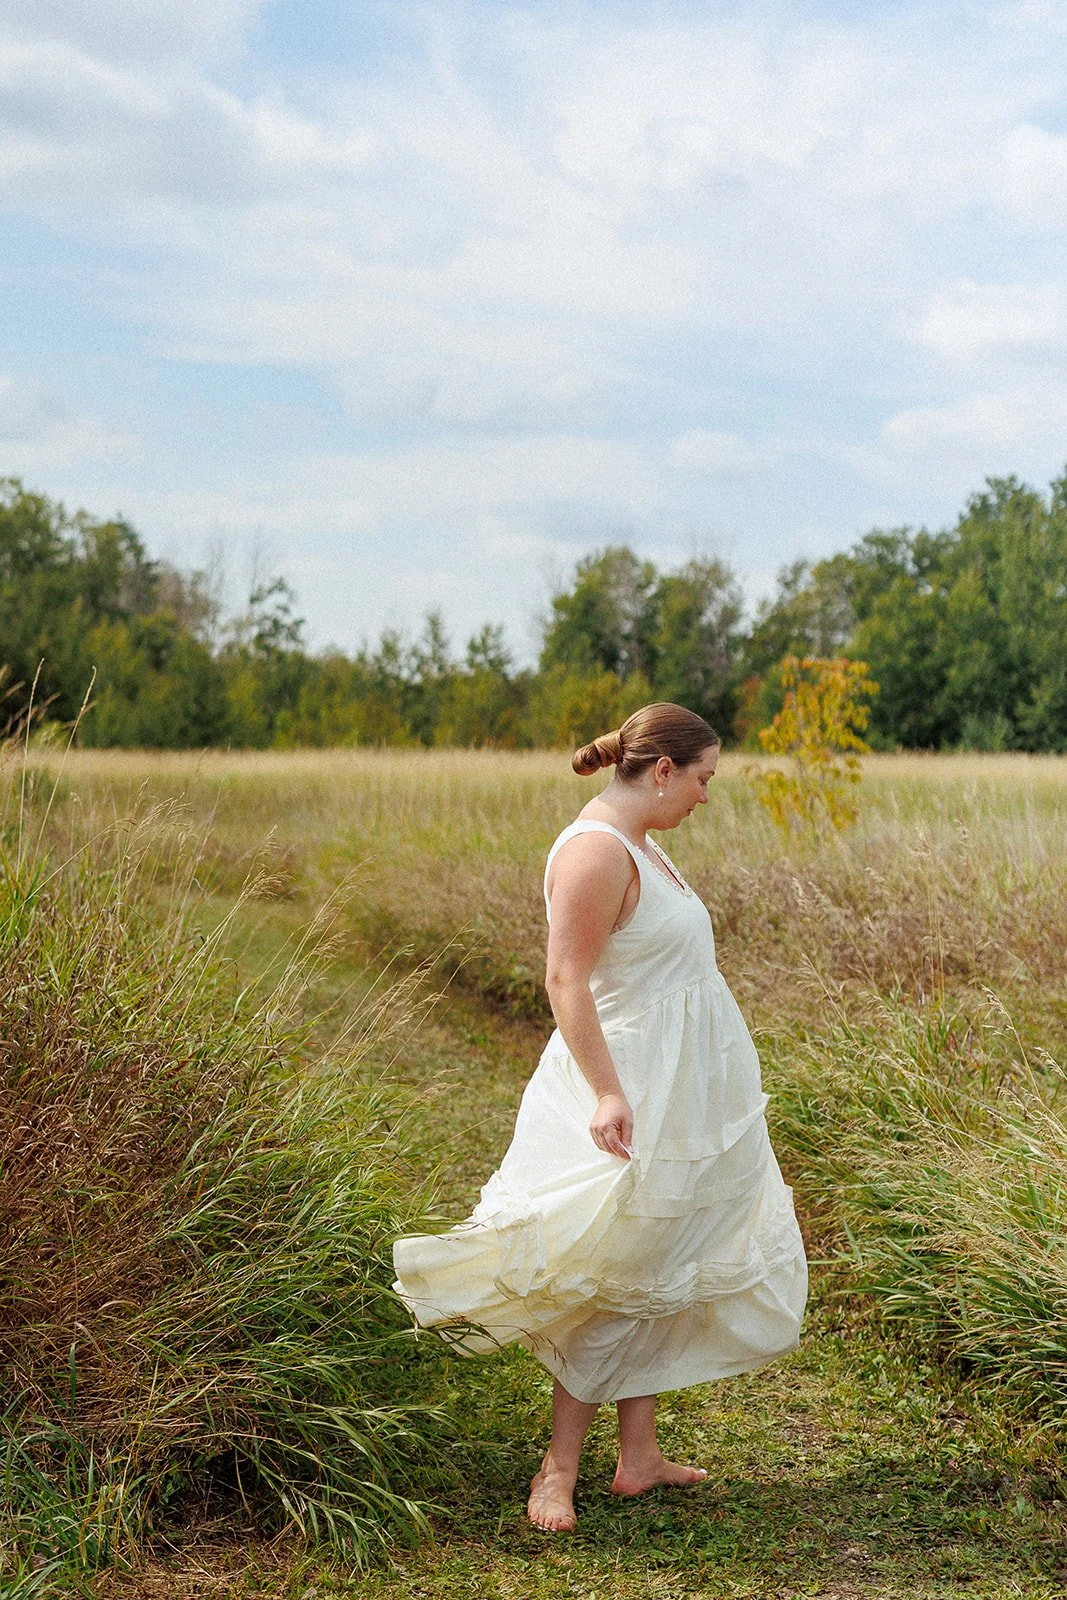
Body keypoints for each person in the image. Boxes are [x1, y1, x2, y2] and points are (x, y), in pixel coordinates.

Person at [393, 703, 808, 1533]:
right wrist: (611, 1094)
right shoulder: (593, 851)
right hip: (624, 1088)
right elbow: (564, 981)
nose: (704, 796)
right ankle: (557, 1470)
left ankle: (639, 1455)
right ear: (661, 771)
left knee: (653, 1258)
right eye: (701, 780)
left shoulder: (644, 847)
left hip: (678, 1090)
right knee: (609, 1271)